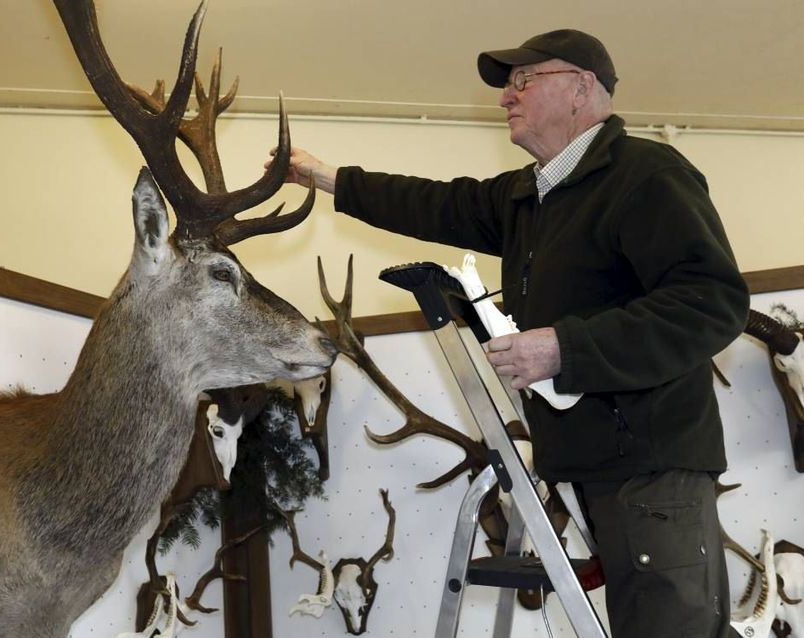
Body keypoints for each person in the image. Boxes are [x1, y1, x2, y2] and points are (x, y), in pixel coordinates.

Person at [269, 29, 749, 638]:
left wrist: (562, 349)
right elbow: (434, 204)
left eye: (523, 80)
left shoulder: (646, 176)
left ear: (582, 89)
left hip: (653, 472)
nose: (504, 97)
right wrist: (322, 176)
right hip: (590, 468)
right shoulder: (531, 196)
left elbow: (712, 302)